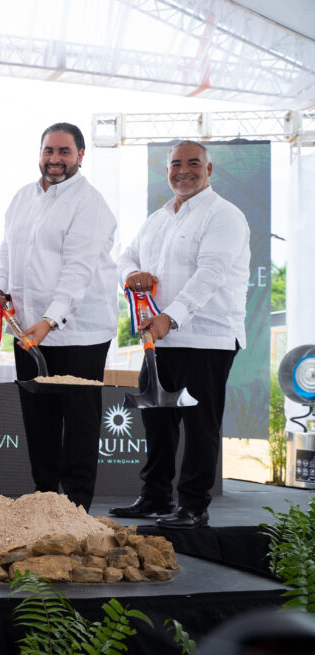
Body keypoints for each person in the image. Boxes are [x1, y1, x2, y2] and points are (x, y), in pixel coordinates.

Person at [109, 140, 249, 529]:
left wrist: (170, 318)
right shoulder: (158, 218)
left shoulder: (224, 216)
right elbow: (125, 256)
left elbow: (211, 274)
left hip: (206, 338)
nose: (183, 171)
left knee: (200, 427)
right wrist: (131, 274)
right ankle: (155, 498)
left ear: (209, 169)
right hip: (160, 341)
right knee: (158, 423)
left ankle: (193, 506)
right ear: (167, 170)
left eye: (193, 163)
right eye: (175, 164)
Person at [0, 122, 118, 512]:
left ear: (80, 155)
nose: (55, 159)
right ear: (40, 153)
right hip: (28, 330)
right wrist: (0, 290)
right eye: (49, 150)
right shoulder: (22, 197)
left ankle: (76, 507)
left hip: (79, 333)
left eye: (64, 151)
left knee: (79, 422)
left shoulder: (90, 203)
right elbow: (6, 250)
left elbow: (78, 270)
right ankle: (44, 500)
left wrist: (50, 320)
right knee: (39, 419)